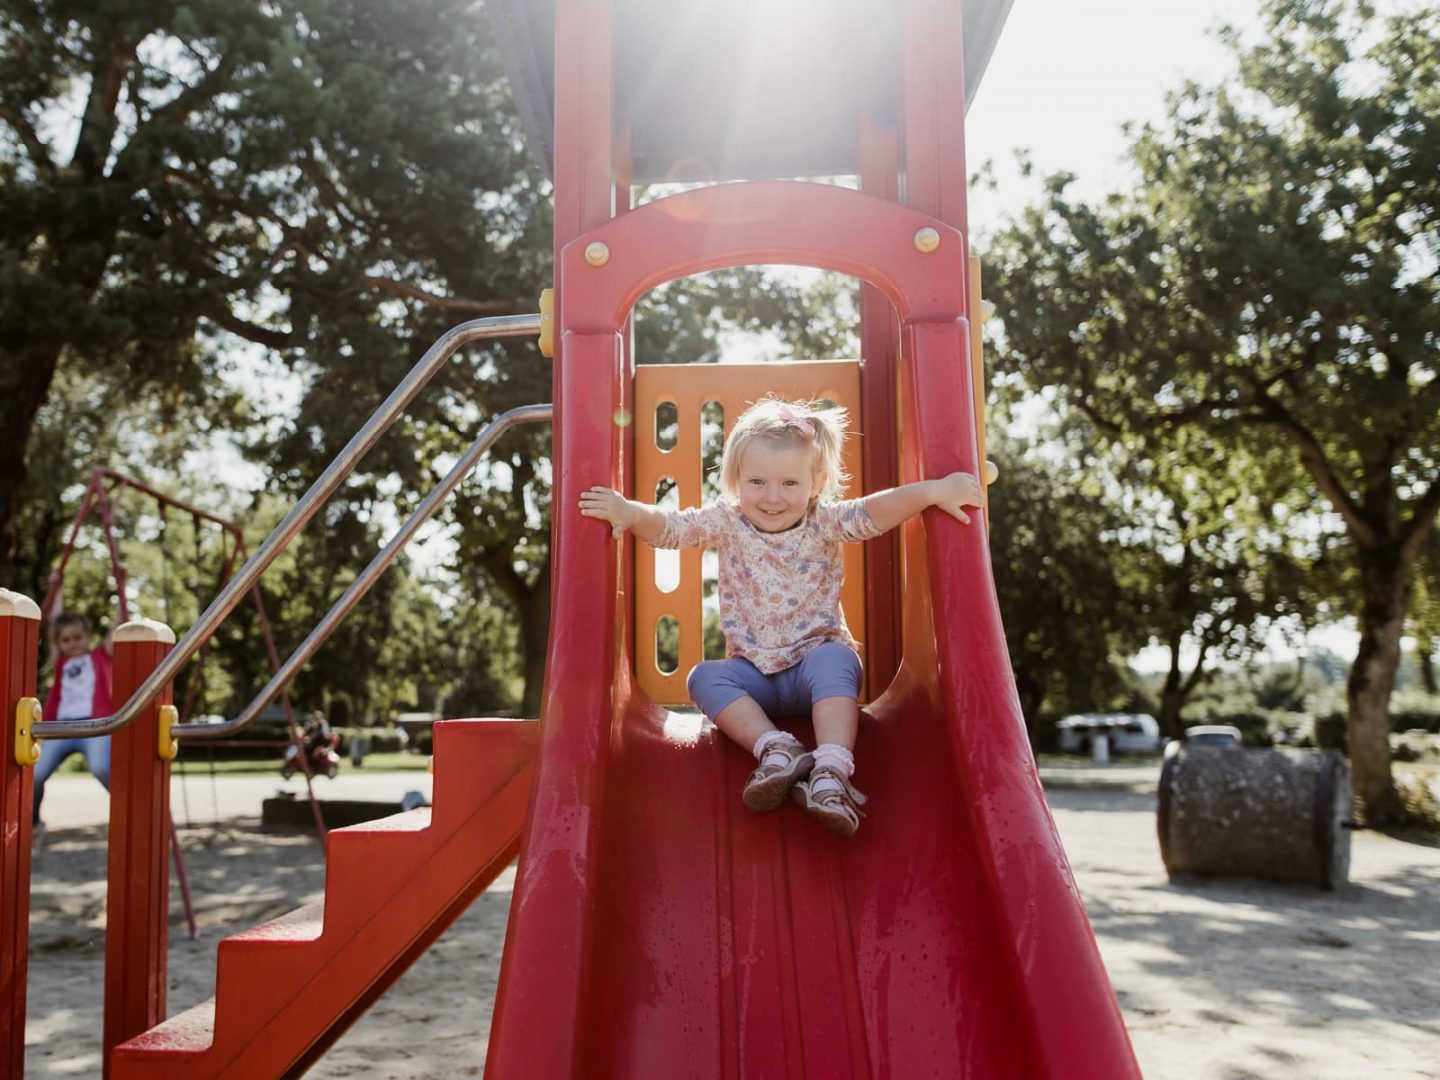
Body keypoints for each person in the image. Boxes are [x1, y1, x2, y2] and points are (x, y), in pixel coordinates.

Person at [579, 395, 984, 838]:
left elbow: (874, 512)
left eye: (790, 483)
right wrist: (629, 512)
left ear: (816, 483)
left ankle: (831, 769)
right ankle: (776, 747)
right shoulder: (726, 522)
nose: (772, 497)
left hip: (814, 669)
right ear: (736, 479)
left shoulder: (824, 522)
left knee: (838, 659)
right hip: (755, 677)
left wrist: (932, 492)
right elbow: (672, 528)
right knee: (704, 677)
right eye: (757, 482)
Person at [33, 612, 114, 830]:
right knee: (35, 773)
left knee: (102, 768)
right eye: (66, 640)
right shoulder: (61, 663)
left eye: (78, 637)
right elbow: (53, 624)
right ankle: (33, 821)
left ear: (89, 636)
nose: (72, 643)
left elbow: (116, 630)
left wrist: (121, 598)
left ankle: (125, 809)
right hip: (61, 727)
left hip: (94, 726)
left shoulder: (100, 656)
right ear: (59, 643)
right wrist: (57, 591)